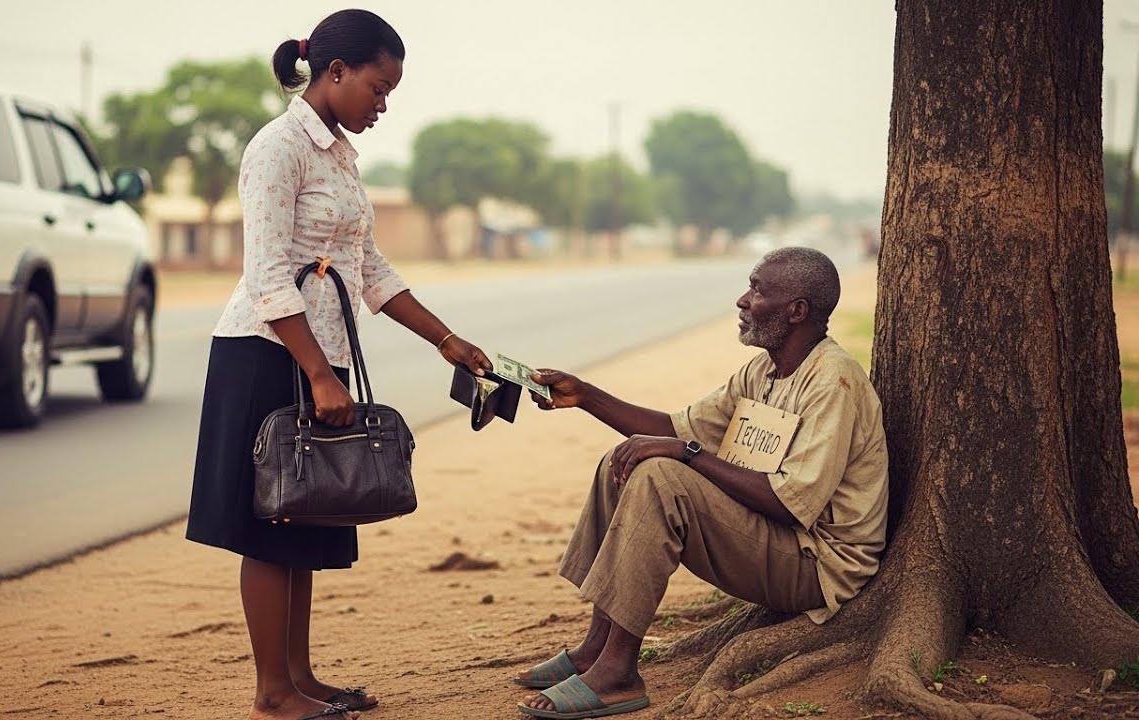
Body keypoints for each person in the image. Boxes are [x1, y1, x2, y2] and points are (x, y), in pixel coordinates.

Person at [185, 10, 492, 720]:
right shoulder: (277, 148)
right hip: (268, 355)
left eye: (390, 93)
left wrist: (446, 339)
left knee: (306, 514)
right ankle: (271, 694)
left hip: (320, 358)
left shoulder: (340, 156)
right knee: (267, 525)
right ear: (336, 72)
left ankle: (300, 677)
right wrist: (320, 374)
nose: (382, 105)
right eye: (378, 89)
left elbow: (368, 269)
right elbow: (267, 276)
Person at [515, 247, 889, 719]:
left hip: (818, 563)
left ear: (797, 311)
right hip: (773, 540)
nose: (742, 300)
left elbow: (789, 503)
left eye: (757, 290)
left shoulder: (833, 383)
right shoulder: (765, 370)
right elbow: (675, 430)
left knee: (661, 475)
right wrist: (585, 395)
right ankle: (596, 648)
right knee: (628, 458)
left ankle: (618, 673)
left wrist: (688, 455)